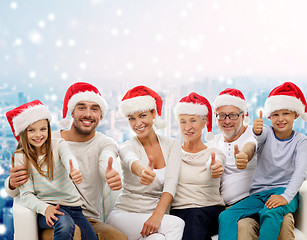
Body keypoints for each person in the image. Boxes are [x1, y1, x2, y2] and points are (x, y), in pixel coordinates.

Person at [5, 82, 128, 240]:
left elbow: (107, 158)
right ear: (72, 112)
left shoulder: (105, 143)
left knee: (118, 238)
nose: (88, 114)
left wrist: (109, 172)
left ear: (101, 115)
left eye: (94, 109)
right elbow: (16, 189)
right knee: (72, 232)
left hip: (87, 218)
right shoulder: (45, 139)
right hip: (53, 217)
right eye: (81, 107)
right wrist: (12, 183)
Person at [218, 82, 307, 240]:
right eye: (275, 114)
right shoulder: (266, 132)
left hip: (285, 192)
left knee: (270, 212)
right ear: (269, 117)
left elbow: (301, 171)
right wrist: (251, 142)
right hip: (259, 195)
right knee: (226, 216)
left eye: (285, 113)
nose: (280, 119)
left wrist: (286, 197)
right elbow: (254, 140)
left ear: (296, 115)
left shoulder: (301, 142)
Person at [5, 100, 97, 240]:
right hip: (47, 207)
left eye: (43, 129)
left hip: (74, 208)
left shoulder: (59, 145)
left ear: (48, 128)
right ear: (23, 133)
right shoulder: (21, 157)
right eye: (31, 130)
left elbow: (68, 158)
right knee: (65, 225)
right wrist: (45, 209)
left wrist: (73, 170)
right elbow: (26, 195)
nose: (38, 135)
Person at [107, 85, 185, 240]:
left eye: (142, 116)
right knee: (176, 224)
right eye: (131, 118)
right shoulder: (126, 147)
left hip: (152, 218)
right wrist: (142, 171)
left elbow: (171, 184)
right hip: (124, 216)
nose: (137, 123)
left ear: (153, 113)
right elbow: (132, 161)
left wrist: (157, 215)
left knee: (158, 238)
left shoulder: (172, 144)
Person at [170, 92, 225, 240]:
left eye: (193, 120)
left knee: (195, 217)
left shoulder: (214, 152)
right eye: (183, 121)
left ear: (204, 122)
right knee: (188, 221)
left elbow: (215, 162)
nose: (187, 127)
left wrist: (214, 166)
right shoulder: (172, 154)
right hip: (179, 212)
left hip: (210, 210)